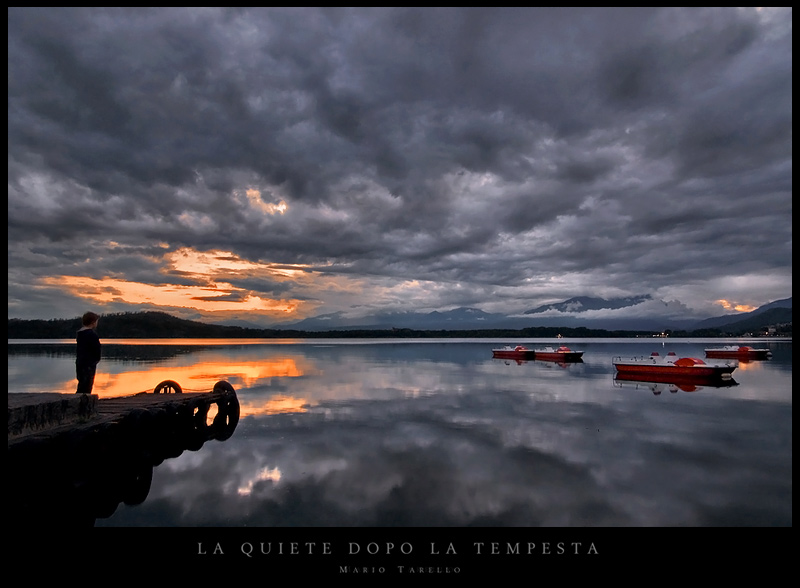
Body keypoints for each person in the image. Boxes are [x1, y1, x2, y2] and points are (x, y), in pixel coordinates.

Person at [75, 311, 102, 394]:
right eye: (96, 321)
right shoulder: (92, 334)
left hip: (80, 363)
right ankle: (84, 401)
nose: (97, 323)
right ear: (93, 322)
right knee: (87, 386)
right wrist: (96, 360)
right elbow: (96, 349)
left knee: (81, 384)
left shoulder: (80, 334)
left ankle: (79, 400)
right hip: (89, 364)